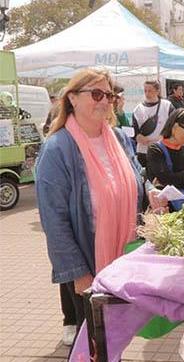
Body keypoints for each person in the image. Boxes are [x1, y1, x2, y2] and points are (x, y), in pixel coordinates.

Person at [35, 69, 165, 347]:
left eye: (109, 95)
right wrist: (78, 274)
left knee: (115, 339)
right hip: (89, 267)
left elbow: (136, 173)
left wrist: (151, 192)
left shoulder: (117, 137)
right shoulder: (57, 149)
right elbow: (54, 221)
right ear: (72, 98)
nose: (105, 101)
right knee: (94, 344)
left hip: (125, 260)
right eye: (96, 94)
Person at [145, 108, 184, 190]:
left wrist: (173, 179)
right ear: (175, 127)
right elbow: (164, 180)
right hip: (163, 201)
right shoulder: (155, 150)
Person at [132, 80, 174, 167]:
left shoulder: (167, 106)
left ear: (158, 91)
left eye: (150, 90)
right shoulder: (138, 109)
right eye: (145, 90)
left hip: (163, 150)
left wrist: (164, 137)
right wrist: (139, 137)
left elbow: (174, 126)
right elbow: (135, 132)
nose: (147, 93)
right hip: (143, 152)